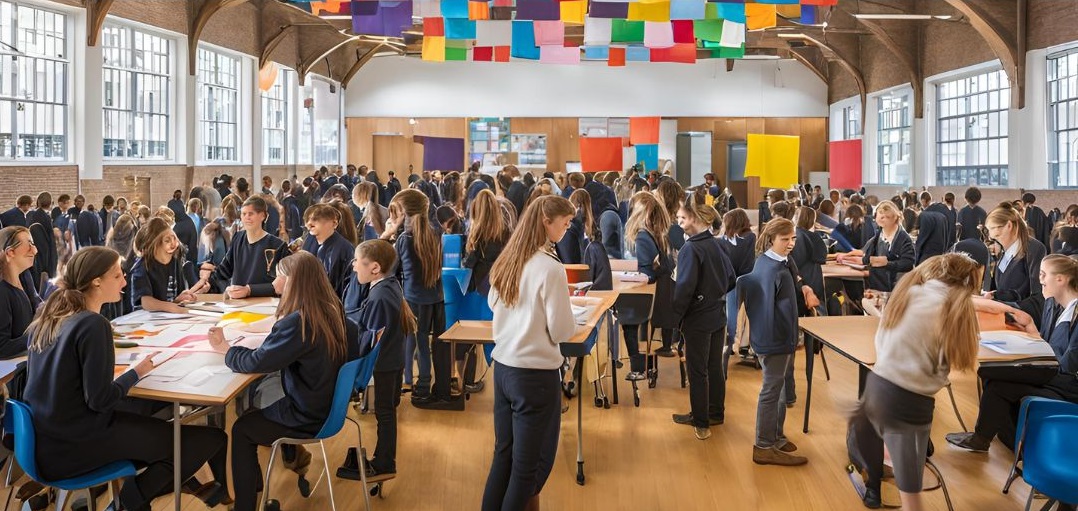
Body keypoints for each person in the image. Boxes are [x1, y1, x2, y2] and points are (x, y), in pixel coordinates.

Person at [24, 247, 228, 511]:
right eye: (118, 275)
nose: (124, 281)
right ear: (97, 281)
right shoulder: (92, 325)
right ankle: (124, 505)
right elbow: (100, 399)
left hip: (46, 442)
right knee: (210, 440)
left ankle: (140, 498)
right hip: (76, 446)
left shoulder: (49, 318)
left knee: (153, 421)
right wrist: (137, 372)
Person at [209, 251, 360, 511]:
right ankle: (286, 465)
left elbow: (257, 362)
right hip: (329, 406)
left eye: (279, 277)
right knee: (257, 398)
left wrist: (226, 348)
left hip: (307, 414)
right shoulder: (335, 314)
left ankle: (244, 506)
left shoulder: (300, 323)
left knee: (242, 429)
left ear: (293, 281)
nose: (275, 284)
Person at [846, 254, 982, 510]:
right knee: (910, 489)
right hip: (911, 403)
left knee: (879, 446)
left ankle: (875, 483)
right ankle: (888, 472)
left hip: (877, 389)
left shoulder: (908, 293)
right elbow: (956, 363)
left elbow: (883, 340)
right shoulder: (954, 307)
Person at [481, 195, 577, 511]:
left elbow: (494, 304)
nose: (567, 228)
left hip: (504, 368)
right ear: (546, 223)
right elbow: (563, 331)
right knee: (528, 470)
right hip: (535, 375)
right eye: (564, 223)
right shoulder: (550, 268)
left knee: (503, 456)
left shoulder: (509, 258)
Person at [945, 254, 1078, 458]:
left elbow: (1068, 364)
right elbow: (1048, 346)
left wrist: (1033, 342)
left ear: (1060, 279)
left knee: (998, 381)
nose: (1040, 280)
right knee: (991, 373)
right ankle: (997, 437)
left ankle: (988, 439)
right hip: (1050, 371)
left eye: (1043, 275)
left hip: (1067, 386)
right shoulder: (1051, 305)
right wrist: (1032, 333)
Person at [340, 240, 416, 481]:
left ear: (374, 267)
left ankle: (384, 462)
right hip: (393, 359)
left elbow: (370, 339)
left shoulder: (379, 297)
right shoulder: (387, 286)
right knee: (387, 412)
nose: (353, 266)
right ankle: (384, 458)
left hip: (385, 364)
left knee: (384, 413)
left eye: (357, 261)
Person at [738, 218, 808, 466]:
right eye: (785, 239)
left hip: (776, 337)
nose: (790, 244)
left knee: (778, 390)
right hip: (775, 339)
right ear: (771, 239)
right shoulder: (773, 269)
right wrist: (785, 340)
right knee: (771, 390)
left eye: (793, 239)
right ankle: (764, 445)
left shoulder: (774, 262)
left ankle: (776, 436)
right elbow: (773, 311)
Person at [670, 192, 734, 440]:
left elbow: (684, 289)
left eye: (682, 218)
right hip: (718, 313)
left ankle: (701, 420)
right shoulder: (717, 243)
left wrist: (677, 318)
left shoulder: (691, 248)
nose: (679, 223)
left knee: (697, 371)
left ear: (695, 218)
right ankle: (716, 413)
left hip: (697, 317)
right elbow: (730, 279)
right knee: (714, 367)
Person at [382, 189, 452, 408]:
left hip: (414, 297)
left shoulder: (404, 239)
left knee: (416, 340)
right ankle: (424, 386)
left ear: (402, 212)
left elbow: (390, 271)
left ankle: (417, 384)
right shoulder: (436, 232)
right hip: (437, 296)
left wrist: (387, 237)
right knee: (428, 343)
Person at [194, 196, 288, 299]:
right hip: (237, 303)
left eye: (251, 214)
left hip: (266, 304)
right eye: (244, 214)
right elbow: (224, 270)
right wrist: (207, 283)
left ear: (263, 216)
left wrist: (249, 290)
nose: (247, 217)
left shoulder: (278, 246)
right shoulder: (238, 238)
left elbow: (281, 284)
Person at [624, 192, 676, 369]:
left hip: (650, 296)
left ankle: (636, 366)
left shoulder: (643, 236)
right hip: (663, 293)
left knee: (629, 325)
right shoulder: (658, 233)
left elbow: (648, 274)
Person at [129, 218, 197, 313]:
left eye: (174, 238)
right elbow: (147, 302)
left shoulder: (175, 262)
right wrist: (171, 307)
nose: (173, 244)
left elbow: (170, 300)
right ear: (154, 245)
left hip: (169, 320)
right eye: (167, 241)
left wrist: (179, 299)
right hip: (146, 320)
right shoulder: (142, 266)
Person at [717, 209, 756, 373]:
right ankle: (732, 342)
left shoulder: (723, 239)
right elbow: (747, 263)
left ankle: (727, 344)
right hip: (741, 281)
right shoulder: (750, 237)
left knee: (728, 315)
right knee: (734, 316)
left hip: (723, 281)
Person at [0, 226, 40, 359]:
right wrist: (41, 332)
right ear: (10, 252)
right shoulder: (2, 292)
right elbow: (2, 347)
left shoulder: (25, 277)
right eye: (29, 245)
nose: (34, 250)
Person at [302, 204, 355, 299]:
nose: (309, 223)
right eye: (307, 220)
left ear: (334, 223)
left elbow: (340, 285)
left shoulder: (344, 248)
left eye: (316, 219)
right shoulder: (309, 239)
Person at [860, 201, 915, 292]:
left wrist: (887, 264)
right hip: (876, 285)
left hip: (895, 287)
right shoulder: (878, 235)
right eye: (880, 216)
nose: (882, 219)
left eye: (887, 217)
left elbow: (908, 263)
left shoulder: (903, 238)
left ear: (895, 218)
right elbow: (866, 258)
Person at [791, 207, 827, 316]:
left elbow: (796, 262)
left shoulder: (797, 235)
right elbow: (822, 257)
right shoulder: (812, 236)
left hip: (802, 279)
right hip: (812, 278)